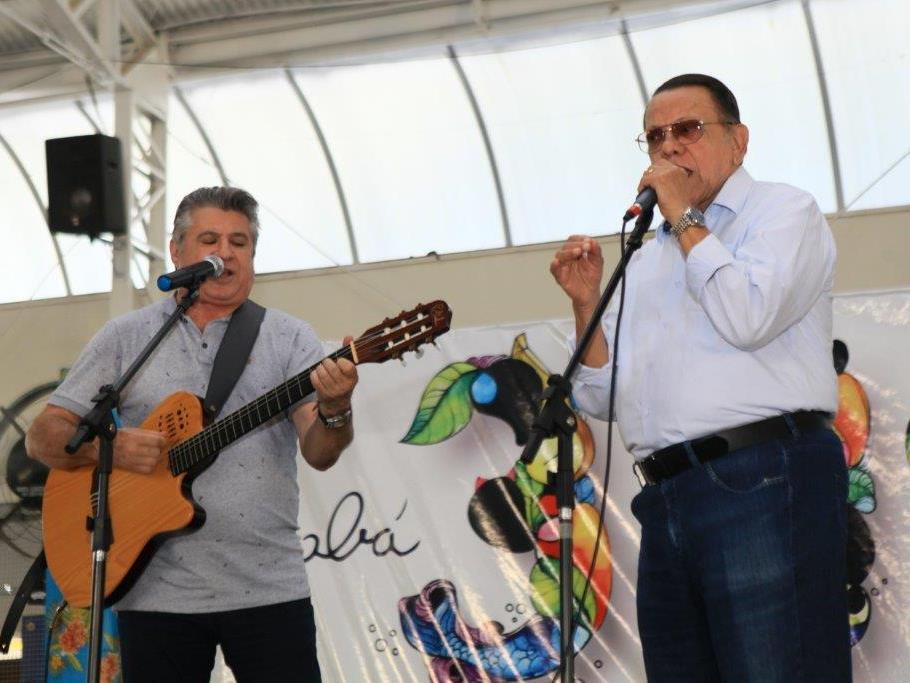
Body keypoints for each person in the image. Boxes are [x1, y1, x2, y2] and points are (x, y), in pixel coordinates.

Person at [550, 74, 849, 681]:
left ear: (738, 141)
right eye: (655, 136)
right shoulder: (651, 251)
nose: (669, 147)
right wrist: (587, 306)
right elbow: (603, 396)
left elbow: (748, 316)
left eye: (688, 129)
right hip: (665, 498)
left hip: (764, 477)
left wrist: (686, 219)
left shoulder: (784, 211)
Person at [26, 187, 357, 682]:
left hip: (268, 588)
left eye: (239, 242)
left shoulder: (289, 337)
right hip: (155, 592)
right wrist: (107, 450)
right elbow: (44, 437)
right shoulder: (127, 337)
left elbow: (321, 453)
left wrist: (335, 407)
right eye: (209, 239)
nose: (225, 253)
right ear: (177, 252)